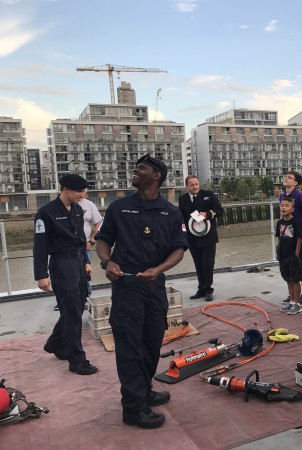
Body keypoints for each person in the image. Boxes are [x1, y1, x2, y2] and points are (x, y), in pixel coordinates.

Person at [96, 154, 188, 429]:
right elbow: (102, 241)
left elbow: (179, 248)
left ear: (156, 175)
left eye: (141, 168)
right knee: (129, 347)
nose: (135, 171)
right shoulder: (119, 208)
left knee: (151, 342)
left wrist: (159, 269)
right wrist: (106, 261)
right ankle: (133, 407)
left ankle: (144, 390)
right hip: (126, 286)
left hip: (154, 286)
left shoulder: (171, 212)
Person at [33, 173, 96, 375]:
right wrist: (41, 274)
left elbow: (80, 239)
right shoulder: (46, 213)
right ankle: (76, 360)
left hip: (78, 261)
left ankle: (56, 343)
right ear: (65, 189)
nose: (82, 195)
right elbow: (39, 246)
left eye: (84, 191)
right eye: (79, 191)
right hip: (61, 264)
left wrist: (86, 262)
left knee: (77, 307)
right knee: (71, 312)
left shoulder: (77, 210)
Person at [179, 175, 223, 302]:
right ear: (187, 186)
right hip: (192, 238)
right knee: (198, 264)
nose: (195, 187)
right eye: (192, 185)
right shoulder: (183, 199)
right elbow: (182, 218)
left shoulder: (208, 195)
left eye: (196, 184)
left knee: (208, 264)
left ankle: (208, 289)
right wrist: (183, 235)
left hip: (208, 237)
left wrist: (207, 214)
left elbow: (220, 211)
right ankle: (201, 289)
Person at [279, 171, 302, 307]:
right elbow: (282, 215)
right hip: (287, 236)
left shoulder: (300, 196)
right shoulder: (282, 196)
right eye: (285, 177)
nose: (286, 179)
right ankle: (293, 294)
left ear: (296, 182)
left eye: (289, 178)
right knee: (289, 264)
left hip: (300, 235)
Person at [276, 196, 302, 315]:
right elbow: (277, 237)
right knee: (288, 279)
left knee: (295, 279)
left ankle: (297, 303)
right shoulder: (279, 222)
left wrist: (297, 254)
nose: (284, 207)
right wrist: (278, 251)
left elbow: (299, 238)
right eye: (282, 205)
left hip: (293, 256)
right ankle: (291, 301)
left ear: (292, 209)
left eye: (287, 206)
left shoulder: (295, 222)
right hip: (283, 255)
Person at [78, 194, 102, 298]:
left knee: (85, 272)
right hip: (68, 247)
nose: (80, 193)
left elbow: (98, 223)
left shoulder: (89, 205)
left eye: (82, 190)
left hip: (85, 246)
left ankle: (86, 296)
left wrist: (91, 241)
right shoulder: (65, 205)